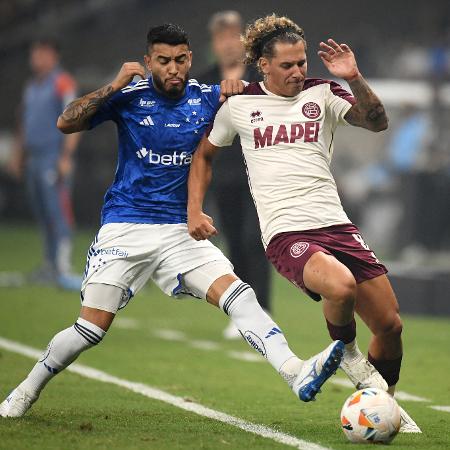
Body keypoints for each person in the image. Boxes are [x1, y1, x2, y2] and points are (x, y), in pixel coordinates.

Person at [0, 23, 344, 419]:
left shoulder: (206, 96)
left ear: (191, 59)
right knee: (90, 331)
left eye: (180, 60)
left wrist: (240, 90)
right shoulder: (128, 97)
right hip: (126, 227)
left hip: (180, 232)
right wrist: (113, 86)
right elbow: (66, 122)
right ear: (148, 62)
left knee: (241, 296)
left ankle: (295, 372)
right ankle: (27, 388)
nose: (173, 69)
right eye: (163, 61)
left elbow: (261, 101)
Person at [186, 14, 421, 433]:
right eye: (287, 65)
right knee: (340, 285)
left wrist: (354, 77)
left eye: (301, 62)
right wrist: (194, 210)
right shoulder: (238, 104)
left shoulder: (325, 92)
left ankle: (382, 408)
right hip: (286, 232)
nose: (298, 72)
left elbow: (377, 121)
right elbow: (204, 155)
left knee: (390, 325)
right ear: (263, 64)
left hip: (337, 224)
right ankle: (347, 351)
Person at [198, 11, 271, 339]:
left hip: (258, 170)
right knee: (234, 243)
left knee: (256, 240)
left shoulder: (261, 75)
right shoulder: (204, 79)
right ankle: (243, 311)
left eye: (233, 36)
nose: (228, 43)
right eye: (221, 37)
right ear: (214, 42)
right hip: (222, 172)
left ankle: (263, 310)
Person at [8, 38, 82, 291]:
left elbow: (75, 117)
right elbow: (23, 120)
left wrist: (65, 157)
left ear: (52, 55)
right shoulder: (31, 86)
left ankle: (62, 267)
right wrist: (18, 154)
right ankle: (49, 265)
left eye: (40, 53)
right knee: (41, 212)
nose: (35, 58)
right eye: (34, 53)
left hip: (53, 156)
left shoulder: (62, 82)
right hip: (34, 158)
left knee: (57, 211)